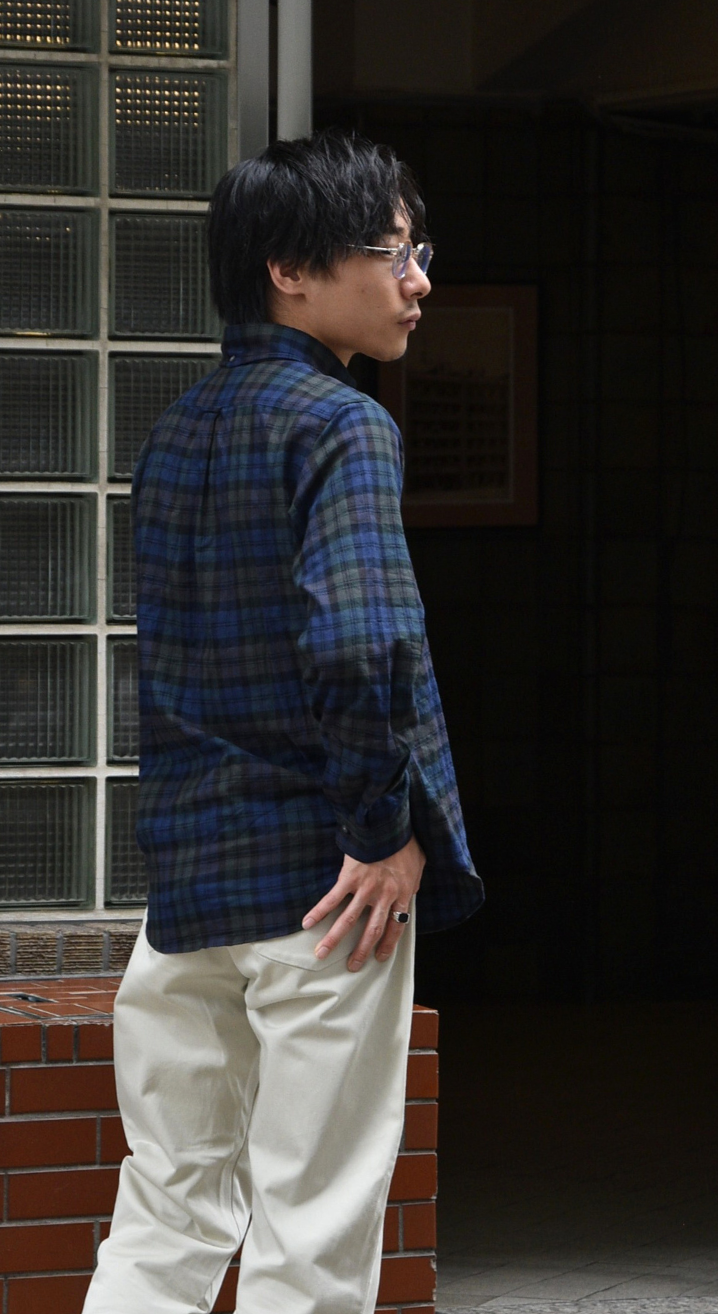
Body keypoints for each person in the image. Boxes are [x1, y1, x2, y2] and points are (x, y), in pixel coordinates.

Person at [82, 128, 484, 1314]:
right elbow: (361, 645)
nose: (418, 280)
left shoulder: (174, 435)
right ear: (290, 271)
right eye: (393, 252)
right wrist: (382, 830)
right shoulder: (343, 426)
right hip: (326, 893)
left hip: (186, 890)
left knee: (167, 1209)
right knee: (312, 1228)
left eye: (418, 252)